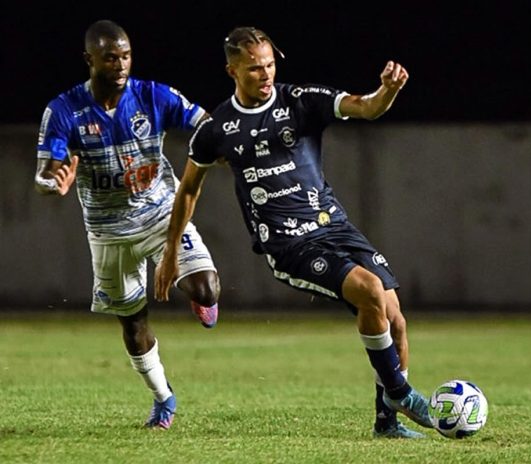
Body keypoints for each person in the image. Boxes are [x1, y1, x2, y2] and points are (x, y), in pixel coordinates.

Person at [154, 26, 432, 438]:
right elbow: (189, 189)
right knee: (370, 291)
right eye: (253, 69)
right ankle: (401, 393)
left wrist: (387, 90)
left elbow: (366, 107)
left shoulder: (299, 102)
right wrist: (172, 250)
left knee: (396, 319)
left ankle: (386, 422)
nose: (265, 75)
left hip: (334, 226)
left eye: (269, 65)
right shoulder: (218, 129)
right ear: (231, 70)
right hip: (288, 244)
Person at [34, 19, 221, 430]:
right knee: (134, 322)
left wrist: (222, 145)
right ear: (90, 60)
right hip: (107, 231)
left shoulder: (154, 95)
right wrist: (53, 183)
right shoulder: (64, 110)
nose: (120, 65)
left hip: (159, 213)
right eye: (109, 58)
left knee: (207, 288)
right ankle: (163, 398)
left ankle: (196, 294)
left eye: (125, 56)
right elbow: (46, 172)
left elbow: (206, 124)